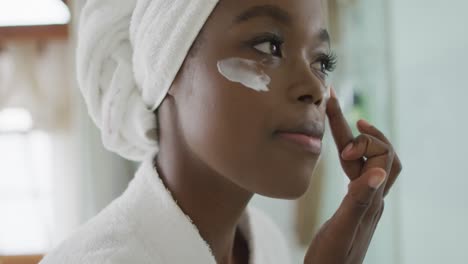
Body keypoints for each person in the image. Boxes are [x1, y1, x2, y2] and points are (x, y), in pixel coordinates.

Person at [40, 0, 402, 263]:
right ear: (166, 68)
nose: (315, 87)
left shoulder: (266, 245)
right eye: (268, 46)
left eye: (322, 61)